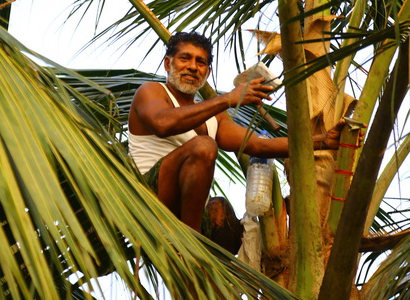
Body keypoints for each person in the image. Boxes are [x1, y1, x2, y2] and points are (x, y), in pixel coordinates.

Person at [128, 31, 343, 252]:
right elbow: (162, 123)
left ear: (207, 72)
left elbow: (259, 146)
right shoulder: (152, 91)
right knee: (204, 146)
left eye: (201, 62)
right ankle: (190, 246)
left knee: (223, 214)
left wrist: (323, 140)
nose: (193, 67)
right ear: (168, 63)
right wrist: (227, 99)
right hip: (149, 196)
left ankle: (211, 273)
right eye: (185, 58)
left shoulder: (215, 117)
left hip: (185, 213)